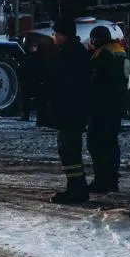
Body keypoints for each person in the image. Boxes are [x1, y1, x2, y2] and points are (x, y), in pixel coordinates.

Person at [45, 17, 90, 203]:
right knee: (69, 150)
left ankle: (76, 189)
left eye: (55, 33)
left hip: (69, 112)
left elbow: (63, 83)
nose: (53, 37)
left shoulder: (69, 54)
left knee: (69, 151)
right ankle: (76, 186)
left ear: (62, 35)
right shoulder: (75, 52)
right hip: (72, 111)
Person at [86, 25, 129, 193]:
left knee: (97, 143)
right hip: (117, 105)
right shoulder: (120, 51)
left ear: (96, 39)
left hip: (102, 106)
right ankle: (112, 179)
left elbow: (96, 81)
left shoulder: (103, 54)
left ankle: (101, 180)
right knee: (111, 142)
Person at [17, 35, 45, 123]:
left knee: (32, 99)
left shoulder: (34, 57)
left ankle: (37, 117)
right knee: (29, 98)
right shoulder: (31, 57)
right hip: (30, 79)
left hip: (32, 79)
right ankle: (30, 116)